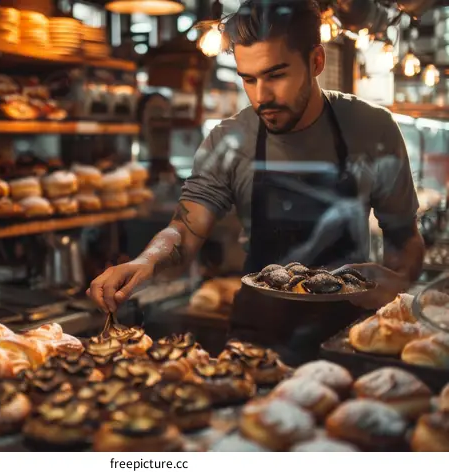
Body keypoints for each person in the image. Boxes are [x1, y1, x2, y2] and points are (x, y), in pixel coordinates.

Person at [87, 0, 424, 353]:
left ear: (316, 61)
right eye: (249, 79)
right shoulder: (230, 139)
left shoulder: (373, 129)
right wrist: (146, 260)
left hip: (348, 337)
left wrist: (398, 283)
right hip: (256, 338)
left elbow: (404, 239)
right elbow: (185, 228)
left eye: (276, 75)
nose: (262, 97)